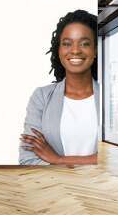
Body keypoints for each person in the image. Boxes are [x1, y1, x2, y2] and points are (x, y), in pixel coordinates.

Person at [18, 9, 99, 165]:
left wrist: (57, 159)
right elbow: (28, 159)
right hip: (54, 187)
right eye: (67, 44)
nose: (75, 50)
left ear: (95, 50)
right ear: (59, 50)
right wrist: (91, 162)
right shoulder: (41, 96)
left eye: (85, 43)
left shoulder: (111, 96)